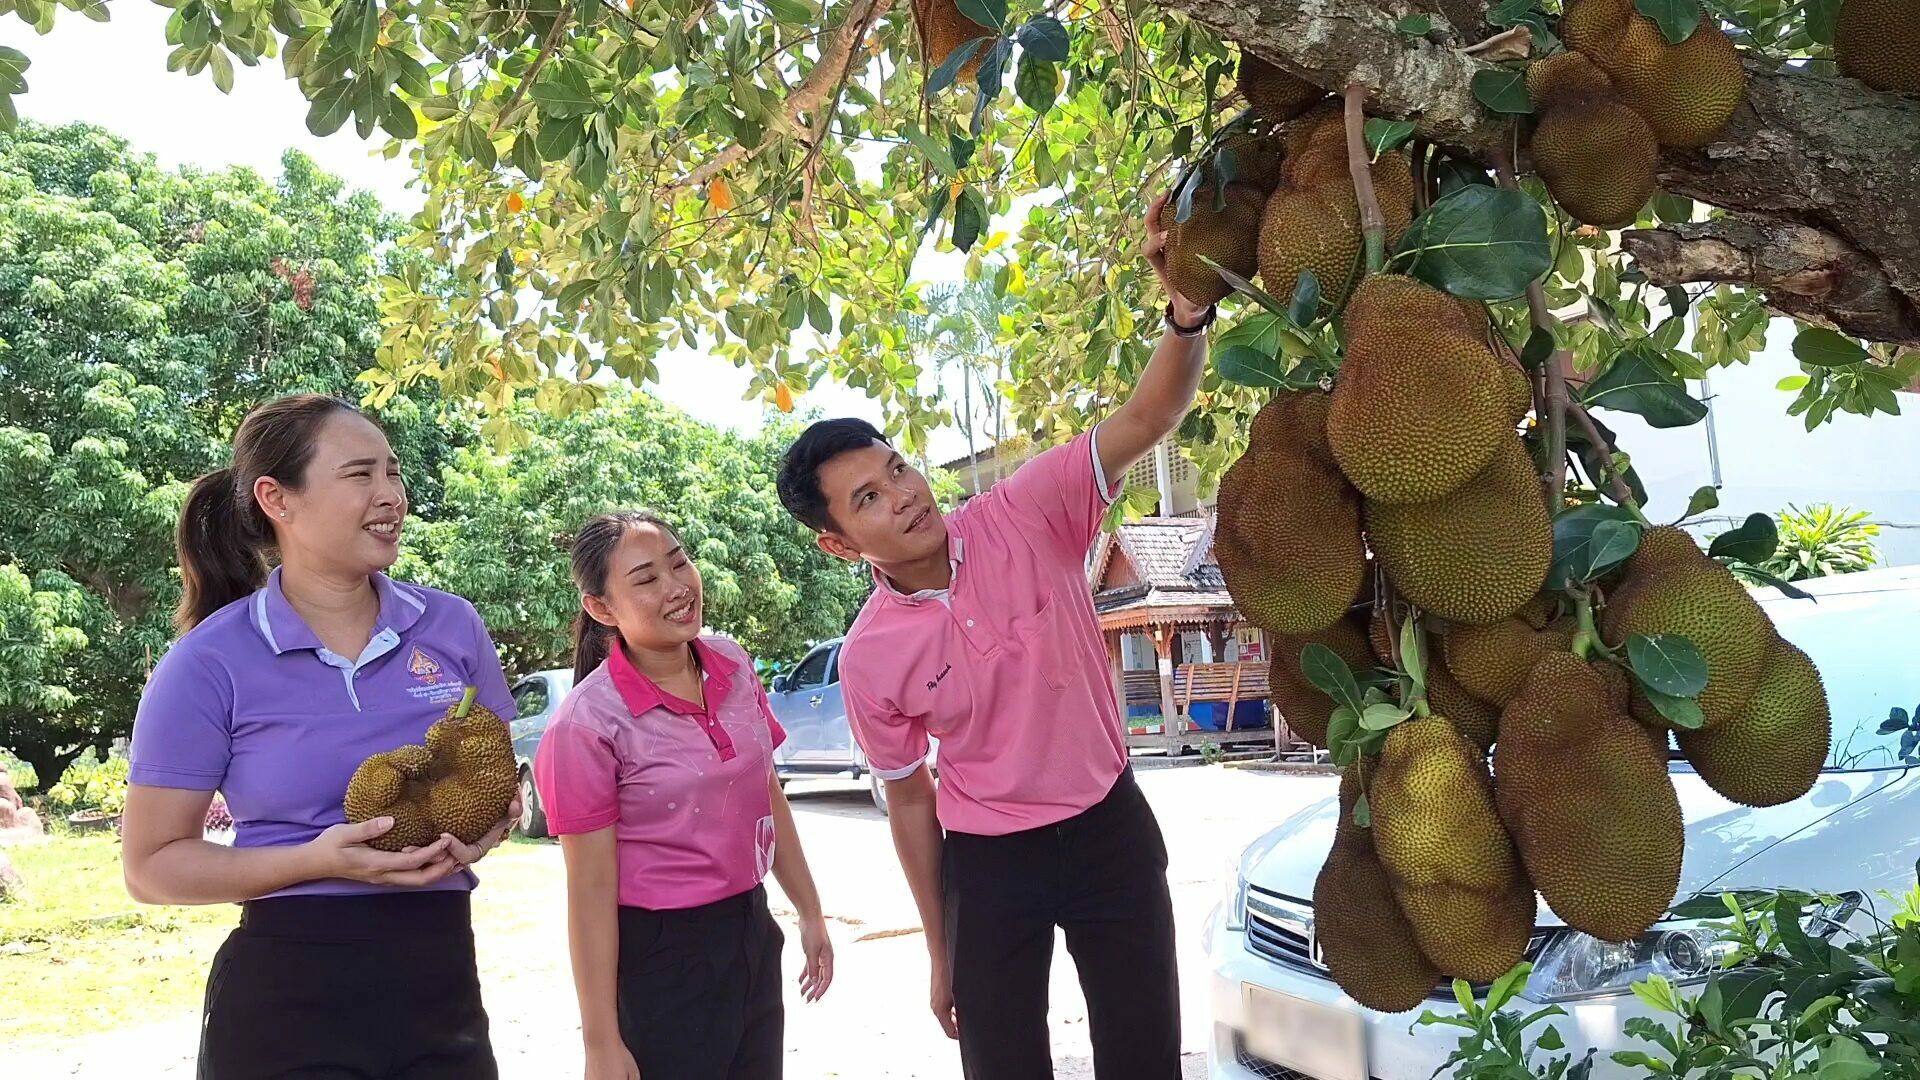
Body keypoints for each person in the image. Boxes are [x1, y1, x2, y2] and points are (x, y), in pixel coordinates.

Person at [773, 192, 1212, 1079]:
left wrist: (1187, 312)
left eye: (895, 469)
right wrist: (941, 948)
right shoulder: (869, 659)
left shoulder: (1027, 511)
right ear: (837, 541)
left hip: (1108, 828)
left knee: (1144, 1060)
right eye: (867, 499)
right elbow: (908, 803)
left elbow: (1148, 418)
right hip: (989, 862)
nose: (901, 494)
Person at [120, 393, 521, 1079]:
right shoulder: (209, 661)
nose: (390, 493)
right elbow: (151, 867)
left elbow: (489, 782)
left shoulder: (452, 627)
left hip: (440, 980)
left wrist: (483, 832)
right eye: (360, 474)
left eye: (394, 472)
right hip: (289, 994)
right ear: (278, 498)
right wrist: (319, 860)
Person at [536, 510, 834, 1080]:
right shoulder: (587, 724)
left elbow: (765, 795)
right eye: (646, 579)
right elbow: (591, 890)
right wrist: (600, 1042)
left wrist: (809, 911)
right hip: (662, 957)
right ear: (601, 608)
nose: (676, 587)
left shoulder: (734, 664)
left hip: (749, 929)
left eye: (679, 563)